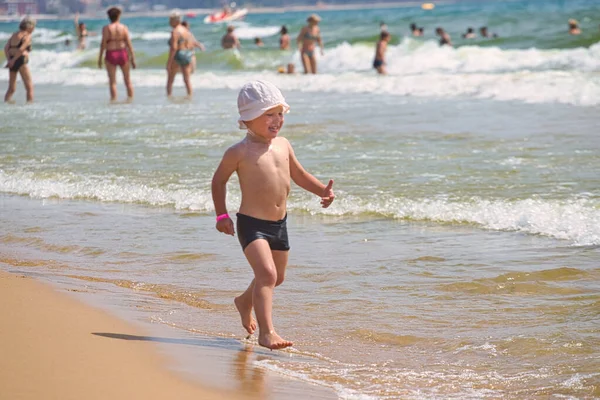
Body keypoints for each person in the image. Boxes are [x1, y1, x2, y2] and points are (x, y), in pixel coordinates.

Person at [211, 80, 335, 350]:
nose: (277, 119)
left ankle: (244, 301)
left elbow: (299, 175)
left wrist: (321, 191)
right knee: (266, 275)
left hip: (280, 224)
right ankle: (267, 332)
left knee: (277, 278)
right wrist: (222, 216)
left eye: (280, 113)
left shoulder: (283, 145)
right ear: (247, 119)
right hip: (251, 225)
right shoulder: (238, 152)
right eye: (269, 114)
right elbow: (218, 181)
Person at [98, 7, 136, 102]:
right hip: (122, 53)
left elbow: (103, 44)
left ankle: (114, 101)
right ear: (119, 16)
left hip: (111, 53)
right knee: (127, 80)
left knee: (112, 82)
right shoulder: (123, 27)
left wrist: (100, 58)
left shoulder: (107, 28)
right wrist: (132, 58)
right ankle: (130, 100)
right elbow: (128, 43)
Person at [4, 16, 35, 103]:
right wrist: (14, 60)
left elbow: (6, 48)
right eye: (33, 27)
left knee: (11, 88)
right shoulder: (27, 36)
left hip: (12, 61)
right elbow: (21, 49)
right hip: (21, 60)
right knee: (29, 87)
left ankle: (7, 104)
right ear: (29, 26)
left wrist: (10, 60)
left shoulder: (14, 35)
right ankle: (30, 106)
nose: (33, 29)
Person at [166, 10, 195, 98]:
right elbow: (190, 44)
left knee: (170, 79)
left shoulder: (175, 31)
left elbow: (174, 47)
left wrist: (169, 62)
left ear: (176, 20)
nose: (169, 22)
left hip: (178, 54)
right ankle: (189, 96)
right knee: (187, 79)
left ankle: (169, 97)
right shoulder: (185, 30)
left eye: (171, 20)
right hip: (186, 54)